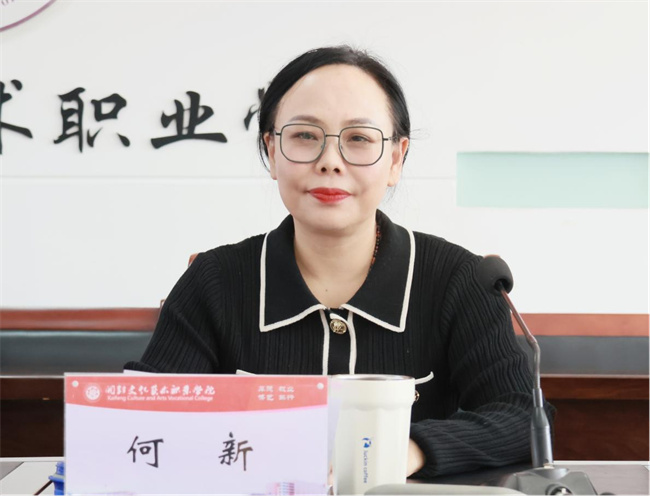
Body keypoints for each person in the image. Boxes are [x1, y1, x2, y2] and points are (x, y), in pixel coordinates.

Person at [125, 45, 554, 478]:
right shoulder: (215, 281)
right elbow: (139, 418)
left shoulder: (459, 281)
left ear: (395, 159)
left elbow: (523, 416)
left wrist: (406, 450)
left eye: (359, 139)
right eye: (305, 136)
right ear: (271, 151)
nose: (330, 162)